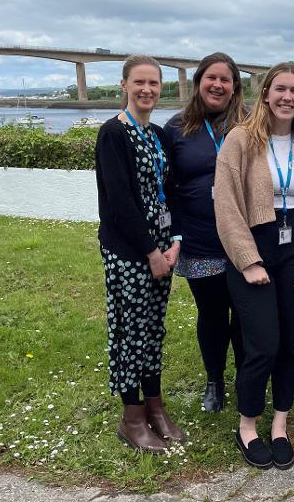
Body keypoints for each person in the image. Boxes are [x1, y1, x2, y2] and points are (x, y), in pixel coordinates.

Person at [214, 63, 294, 470]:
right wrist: (248, 261)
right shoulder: (241, 140)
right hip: (253, 243)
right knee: (262, 343)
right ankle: (248, 425)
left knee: (290, 343)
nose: (287, 97)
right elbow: (226, 207)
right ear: (265, 94)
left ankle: (280, 424)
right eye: (280, 89)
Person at [95, 54, 186, 453]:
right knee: (129, 332)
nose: (147, 90)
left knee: (153, 329)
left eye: (154, 84)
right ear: (124, 86)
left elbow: (174, 191)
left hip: (163, 250)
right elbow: (119, 200)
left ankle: (155, 406)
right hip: (130, 250)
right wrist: (150, 250)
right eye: (139, 83)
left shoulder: (160, 136)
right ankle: (131, 417)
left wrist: (174, 242)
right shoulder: (113, 134)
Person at [164, 52, 247, 412]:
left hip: (246, 239)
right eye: (210, 78)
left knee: (246, 314)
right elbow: (167, 188)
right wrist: (174, 234)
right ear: (198, 83)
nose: (217, 85)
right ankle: (214, 379)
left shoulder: (249, 124)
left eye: (225, 80)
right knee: (212, 313)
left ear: (234, 88)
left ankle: (247, 378)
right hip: (200, 240)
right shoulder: (177, 127)